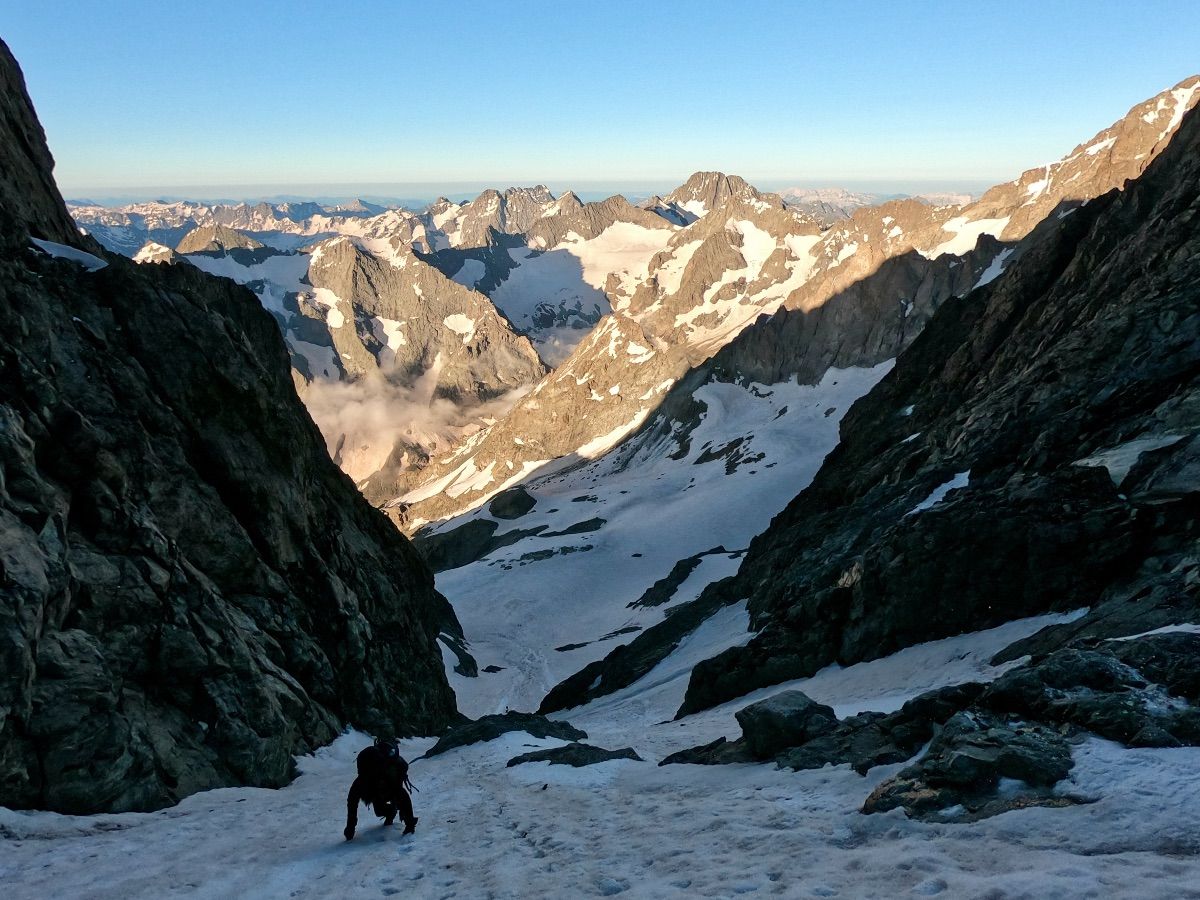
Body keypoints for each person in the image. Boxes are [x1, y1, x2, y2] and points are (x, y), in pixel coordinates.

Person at [344, 737, 418, 840]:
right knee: (380, 810)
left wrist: (350, 827)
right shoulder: (364, 779)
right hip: (381, 791)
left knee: (394, 798)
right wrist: (350, 827)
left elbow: (352, 801)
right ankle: (392, 811)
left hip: (384, 789)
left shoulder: (370, 776)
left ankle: (396, 813)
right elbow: (352, 801)